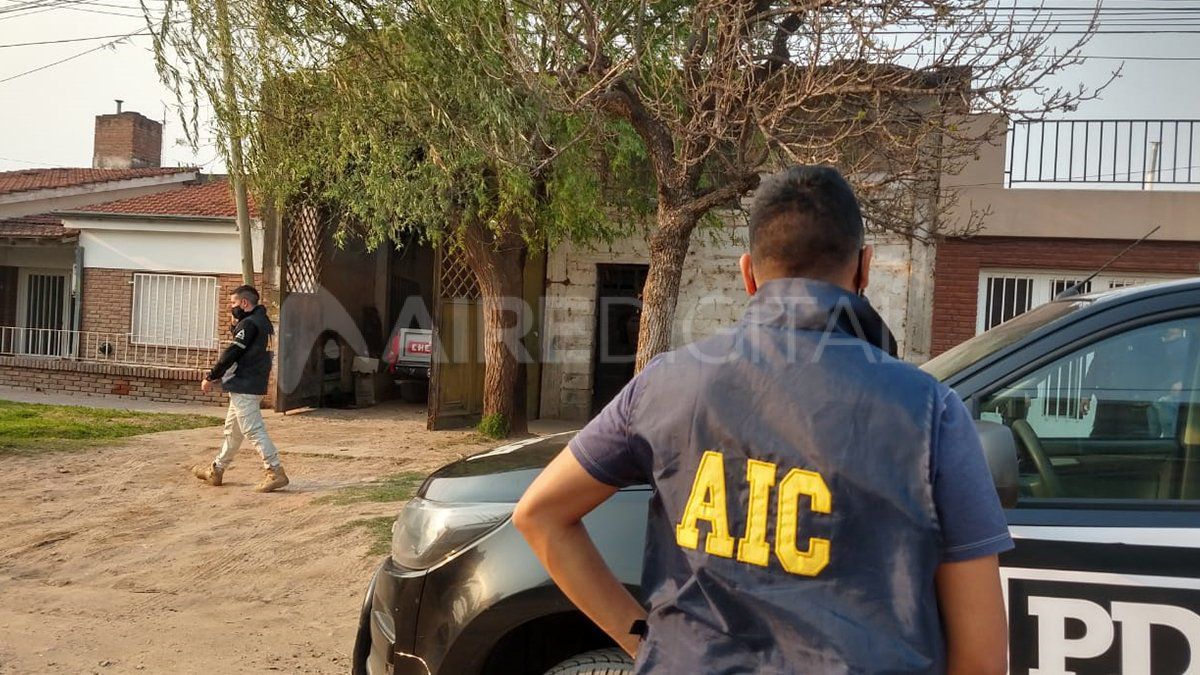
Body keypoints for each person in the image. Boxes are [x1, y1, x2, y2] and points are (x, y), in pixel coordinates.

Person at [514, 165, 1012, 674]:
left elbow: (540, 515)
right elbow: (983, 658)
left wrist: (647, 642)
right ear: (864, 269)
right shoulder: (932, 412)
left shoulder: (663, 384)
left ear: (748, 274)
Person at [192, 285, 289, 493]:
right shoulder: (263, 323)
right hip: (251, 383)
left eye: (234, 303)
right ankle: (216, 469)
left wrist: (211, 376)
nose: (232, 307)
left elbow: (233, 352)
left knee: (253, 429)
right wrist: (237, 327)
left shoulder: (250, 323)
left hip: (245, 384)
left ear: (245, 303)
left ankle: (275, 471)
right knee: (233, 431)